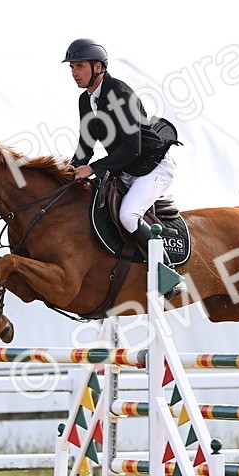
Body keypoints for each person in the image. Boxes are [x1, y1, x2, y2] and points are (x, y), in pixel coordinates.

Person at [62, 38, 184, 296]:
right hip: (126, 169)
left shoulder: (120, 93)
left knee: (128, 215)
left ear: (98, 67)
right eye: (72, 67)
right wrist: (72, 168)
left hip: (153, 166)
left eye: (80, 66)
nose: (74, 73)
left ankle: (170, 274)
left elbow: (133, 147)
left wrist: (93, 169)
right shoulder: (86, 100)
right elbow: (86, 141)